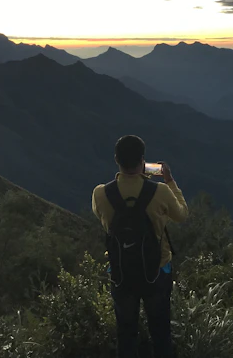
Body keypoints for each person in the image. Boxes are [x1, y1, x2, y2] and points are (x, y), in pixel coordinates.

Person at [92, 135, 188, 358]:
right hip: (157, 270)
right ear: (143, 160)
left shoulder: (100, 194)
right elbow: (182, 215)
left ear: (116, 159)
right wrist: (169, 181)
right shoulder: (160, 192)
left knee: (125, 334)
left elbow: (102, 218)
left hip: (121, 273)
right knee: (161, 332)